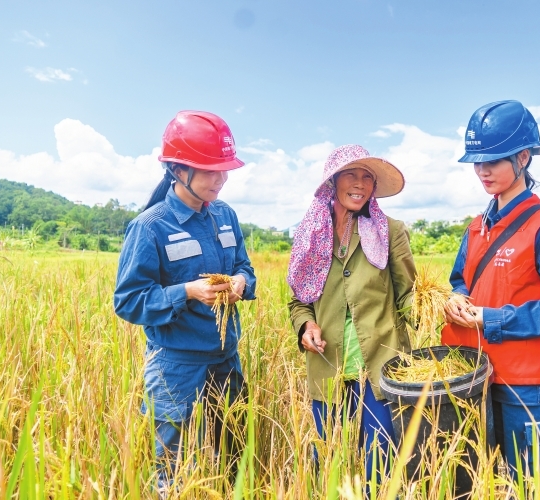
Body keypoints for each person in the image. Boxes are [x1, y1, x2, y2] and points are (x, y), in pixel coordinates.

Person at [441, 100, 540, 498]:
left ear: (523, 157)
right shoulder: (475, 228)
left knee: (534, 488)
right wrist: (456, 298)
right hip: (472, 378)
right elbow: (459, 280)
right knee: (474, 484)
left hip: (527, 386)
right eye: (476, 161)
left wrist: (489, 318)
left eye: (494, 159)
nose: (483, 170)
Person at [114, 110, 256, 488]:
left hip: (226, 360)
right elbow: (128, 301)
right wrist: (187, 291)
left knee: (233, 454)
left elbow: (246, 268)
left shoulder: (225, 216)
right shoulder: (149, 227)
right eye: (210, 170)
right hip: (176, 367)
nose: (221, 179)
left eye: (224, 170)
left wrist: (241, 282)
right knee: (173, 467)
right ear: (178, 170)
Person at [287, 144, 415, 486]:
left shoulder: (390, 231)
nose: (359, 184)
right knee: (326, 462)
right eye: (350, 175)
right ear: (333, 181)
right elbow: (299, 301)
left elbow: (409, 295)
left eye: (367, 177)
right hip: (328, 363)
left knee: (381, 462)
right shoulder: (312, 235)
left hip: (380, 366)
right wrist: (306, 324)